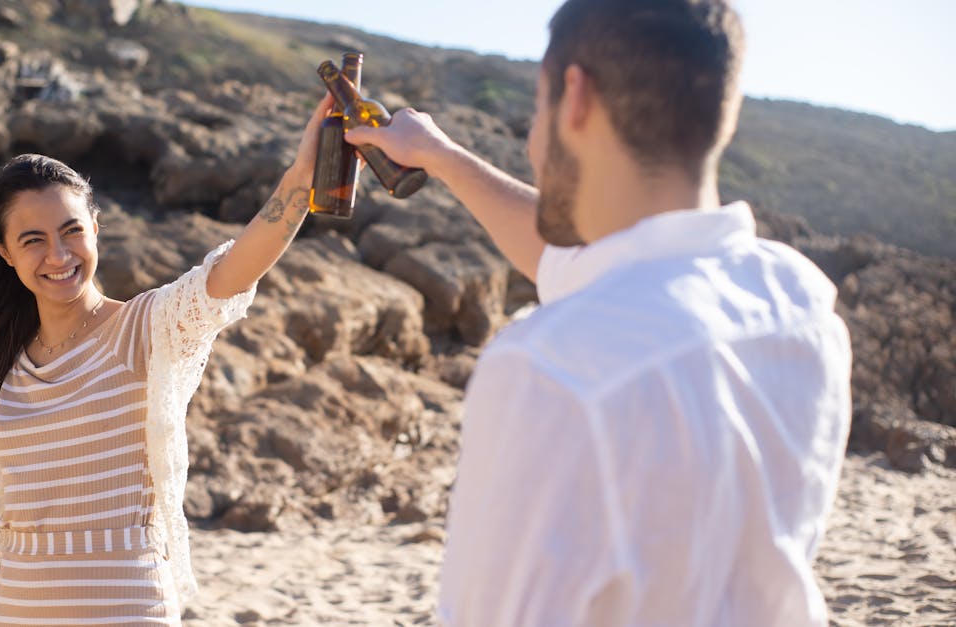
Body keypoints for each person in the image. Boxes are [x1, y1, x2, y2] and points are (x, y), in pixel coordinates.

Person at [345, 1, 852, 625]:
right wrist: (442, 156)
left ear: (575, 97)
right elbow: (593, 265)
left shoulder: (550, 368)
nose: (533, 141)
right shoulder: (801, 305)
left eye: (539, 108)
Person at [0, 97, 333, 626]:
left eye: (72, 231)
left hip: (126, 611)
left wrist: (302, 177)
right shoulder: (6, 368)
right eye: (33, 240)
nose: (58, 256)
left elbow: (230, 274)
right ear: (5, 253)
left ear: (96, 229)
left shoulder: (143, 330)